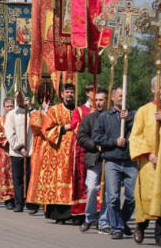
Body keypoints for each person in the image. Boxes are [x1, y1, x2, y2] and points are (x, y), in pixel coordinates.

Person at [130, 75, 161, 246]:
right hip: (149, 163)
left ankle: (160, 237)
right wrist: (148, 154)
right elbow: (136, 136)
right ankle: (141, 226)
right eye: (160, 88)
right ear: (152, 90)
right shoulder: (143, 111)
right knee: (146, 197)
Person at [92, 86, 136, 239]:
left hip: (130, 161)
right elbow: (97, 137)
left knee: (133, 197)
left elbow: (138, 132)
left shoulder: (134, 115)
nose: (122, 98)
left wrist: (128, 119)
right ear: (112, 98)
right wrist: (114, 142)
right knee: (112, 197)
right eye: (119, 95)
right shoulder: (105, 117)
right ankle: (117, 228)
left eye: (125, 95)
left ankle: (121, 221)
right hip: (112, 161)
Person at [31, 83, 76, 224]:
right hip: (57, 153)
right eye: (67, 92)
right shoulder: (54, 110)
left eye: (72, 92)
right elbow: (47, 130)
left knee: (74, 182)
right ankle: (59, 215)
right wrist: (65, 127)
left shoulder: (78, 111)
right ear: (62, 94)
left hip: (75, 153)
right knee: (58, 182)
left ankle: (74, 214)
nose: (69, 94)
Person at [78, 89, 110, 234]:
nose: (98, 103)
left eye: (101, 100)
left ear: (107, 100)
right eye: (96, 100)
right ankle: (89, 217)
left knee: (108, 193)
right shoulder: (89, 118)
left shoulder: (112, 117)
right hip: (93, 159)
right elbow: (81, 137)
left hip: (109, 159)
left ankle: (103, 221)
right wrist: (95, 145)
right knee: (91, 188)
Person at [5, 92, 37, 213]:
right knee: (18, 179)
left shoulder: (31, 113)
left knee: (30, 178)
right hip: (17, 152)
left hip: (30, 151)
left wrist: (31, 108)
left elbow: (39, 122)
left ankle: (31, 203)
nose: (19, 99)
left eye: (21, 97)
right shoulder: (11, 114)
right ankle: (19, 203)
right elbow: (9, 133)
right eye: (17, 97)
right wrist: (19, 147)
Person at [71, 85, 95, 221]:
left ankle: (97, 211)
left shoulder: (103, 110)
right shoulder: (79, 110)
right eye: (92, 91)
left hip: (98, 150)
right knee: (82, 181)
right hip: (82, 150)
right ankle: (81, 211)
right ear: (87, 93)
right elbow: (76, 128)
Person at [0, 97, 15, 210]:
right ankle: (7, 199)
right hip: (4, 152)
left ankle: (17, 197)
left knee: (16, 175)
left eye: (11, 106)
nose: (10, 108)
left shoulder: (18, 118)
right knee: (5, 175)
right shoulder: (0, 120)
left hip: (16, 151)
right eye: (8, 106)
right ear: (4, 107)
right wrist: (10, 140)